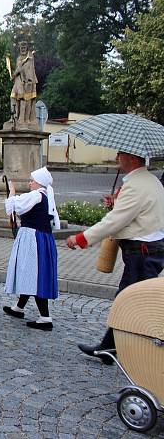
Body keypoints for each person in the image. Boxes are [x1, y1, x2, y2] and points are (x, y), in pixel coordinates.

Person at [66, 151, 164, 364]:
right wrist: (116, 203)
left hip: (142, 251)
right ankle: (109, 347)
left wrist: (81, 238)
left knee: (131, 302)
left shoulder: (136, 185)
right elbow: (135, 212)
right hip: (148, 249)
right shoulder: (150, 180)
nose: (117, 158)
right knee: (129, 299)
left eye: (121, 155)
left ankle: (140, 352)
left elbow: (115, 222)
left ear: (133, 158)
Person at [2, 167, 60, 331]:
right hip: (42, 238)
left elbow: (14, 206)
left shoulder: (36, 195)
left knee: (34, 274)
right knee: (28, 272)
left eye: (32, 181)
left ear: (39, 183)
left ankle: (45, 317)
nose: (30, 183)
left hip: (33, 239)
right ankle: (19, 308)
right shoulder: (47, 196)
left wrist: (12, 191)